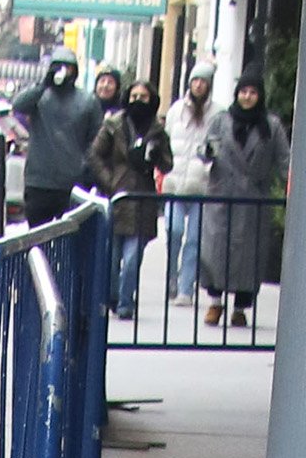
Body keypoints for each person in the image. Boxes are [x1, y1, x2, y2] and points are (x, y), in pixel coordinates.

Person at [199, 68, 289, 327]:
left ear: (259, 96)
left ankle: (240, 307)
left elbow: (284, 159)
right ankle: (215, 303)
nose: (247, 97)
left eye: (252, 92)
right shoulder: (221, 120)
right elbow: (205, 150)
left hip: (253, 199)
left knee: (249, 257)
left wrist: (291, 187)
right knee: (216, 251)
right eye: (243, 92)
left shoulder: (271, 125)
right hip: (222, 195)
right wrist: (206, 151)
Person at [89, 79, 174, 320]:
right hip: (117, 198)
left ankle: (126, 302)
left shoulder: (157, 130)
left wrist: (157, 155)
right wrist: (109, 181)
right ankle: (114, 297)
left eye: (143, 97)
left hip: (142, 200)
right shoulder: (113, 124)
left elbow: (167, 165)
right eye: (134, 96)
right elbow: (95, 154)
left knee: (134, 257)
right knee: (112, 256)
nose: (138, 101)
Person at [11, 47, 103, 226]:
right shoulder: (40, 96)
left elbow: (96, 139)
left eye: (67, 67)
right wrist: (43, 85)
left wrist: (87, 169)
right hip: (39, 181)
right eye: (58, 67)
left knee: (70, 238)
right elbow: (18, 104)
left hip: (71, 182)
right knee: (37, 237)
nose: (63, 71)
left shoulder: (87, 101)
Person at [163, 61, 219, 305]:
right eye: (195, 80)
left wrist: (209, 155)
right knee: (173, 231)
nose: (198, 85)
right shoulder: (176, 110)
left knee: (195, 240)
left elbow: (219, 146)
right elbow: (165, 141)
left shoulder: (218, 113)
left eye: (203, 81)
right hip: (175, 182)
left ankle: (186, 288)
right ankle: (172, 279)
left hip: (202, 186)